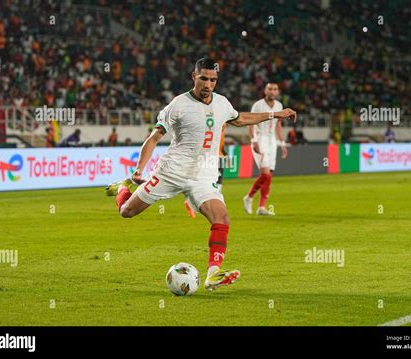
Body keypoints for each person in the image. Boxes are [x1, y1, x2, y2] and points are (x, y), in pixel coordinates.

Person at [105, 58, 296, 291]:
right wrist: (138, 170)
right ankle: (122, 189)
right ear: (193, 76)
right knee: (127, 212)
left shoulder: (222, 103)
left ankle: (213, 275)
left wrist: (276, 114)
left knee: (222, 219)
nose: (208, 84)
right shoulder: (177, 104)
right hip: (172, 171)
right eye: (203, 78)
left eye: (213, 80)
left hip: (204, 175)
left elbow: (241, 119)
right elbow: (154, 137)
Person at [243, 83, 288, 216]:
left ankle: (261, 207)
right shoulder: (258, 105)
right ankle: (249, 197)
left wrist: (283, 143)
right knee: (265, 174)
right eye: (270, 89)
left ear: (278, 92)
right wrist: (253, 141)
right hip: (260, 139)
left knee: (269, 176)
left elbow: (278, 126)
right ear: (265, 91)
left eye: (275, 89)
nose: (272, 91)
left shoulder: (279, 106)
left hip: (272, 141)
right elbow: (250, 124)